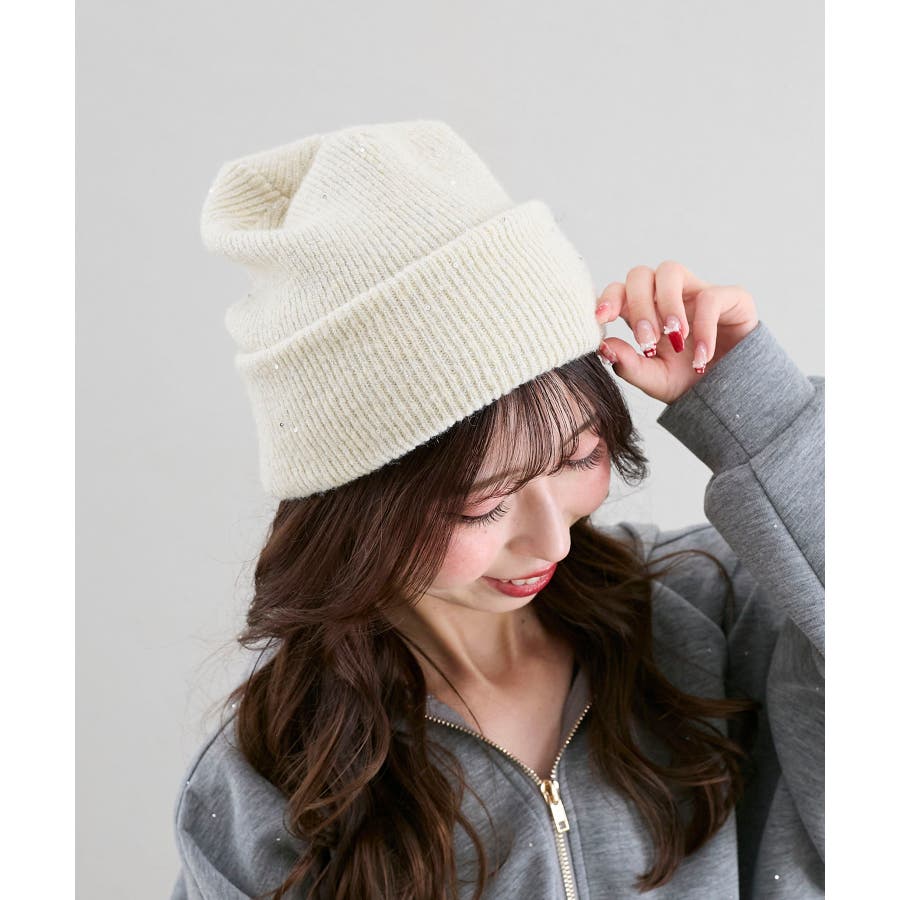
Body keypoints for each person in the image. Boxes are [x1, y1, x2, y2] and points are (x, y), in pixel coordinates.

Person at [170, 119, 824, 900]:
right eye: (483, 504)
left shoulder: (713, 613)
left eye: (580, 458)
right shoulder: (275, 777)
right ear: (358, 506)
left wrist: (762, 409)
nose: (553, 540)